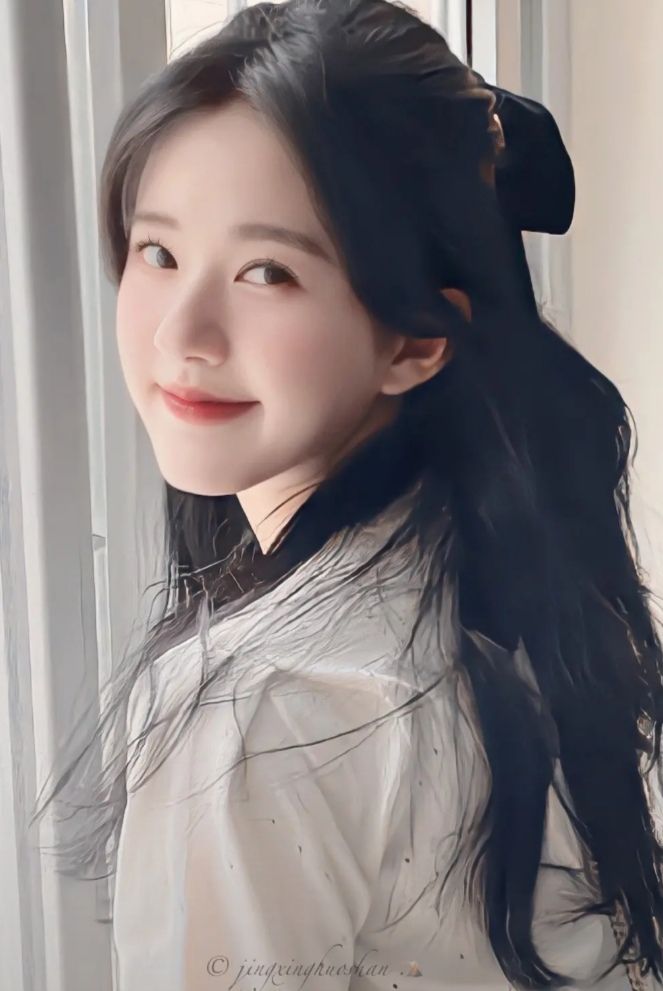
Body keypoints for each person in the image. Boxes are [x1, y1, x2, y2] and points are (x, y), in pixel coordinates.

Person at [31, 0, 663, 989]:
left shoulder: (265, 706)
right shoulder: (518, 594)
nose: (179, 334)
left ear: (414, 341)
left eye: (267, 272)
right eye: (158, 252)